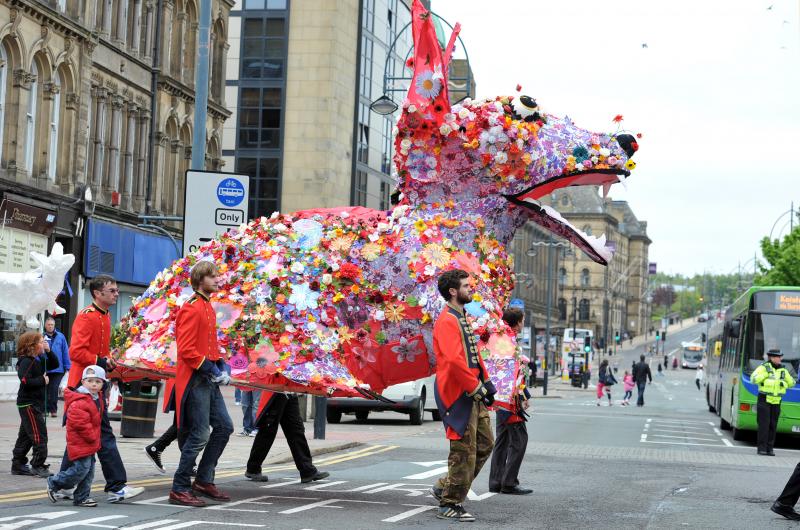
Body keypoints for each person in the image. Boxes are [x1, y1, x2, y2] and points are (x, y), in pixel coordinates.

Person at [58, 274, 143, 503]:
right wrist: (101, 361)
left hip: (94, 385)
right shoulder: (87, 316)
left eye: (117, 290)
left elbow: (98, 354)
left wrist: (108, 362)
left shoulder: (104, 315)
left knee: (82, 435)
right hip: (83, 386)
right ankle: (116, 486)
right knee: (103, 435)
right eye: (112, 290)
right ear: (97, 293)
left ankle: (63, 484)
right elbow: (76, 352)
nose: (116, 294)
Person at [428, 269, 495, 522]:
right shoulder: (447, 320)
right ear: (453, 291)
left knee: (486, 444)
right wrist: (475, 388)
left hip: (472, 391)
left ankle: (444, 486)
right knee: (464, 450)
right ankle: (450, 502)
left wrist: (487, 383)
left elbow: (473, 355)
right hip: (458, 394)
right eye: (466, 286)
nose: (470, 289)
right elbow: (454, 361)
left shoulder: (461, 315)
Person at [169, 261, 234, 507]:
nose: (217, 280)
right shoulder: (191, 307)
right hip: (195, 378)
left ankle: (204, 480)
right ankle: (179, 487)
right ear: (199, 280)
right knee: (200, 435)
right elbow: (187, 350)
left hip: (207, 377)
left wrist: (220, 367)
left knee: (224, 427)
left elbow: (209, 345)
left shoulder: (206, 306)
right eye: (212, 276)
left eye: (217, 276)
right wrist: (211, 369)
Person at [47, 365, 107, 507]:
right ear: (83, 382)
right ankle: (54, 482)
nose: (94, 384)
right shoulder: (80, 400)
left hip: (91, 442)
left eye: (98, 381)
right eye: (90, 381)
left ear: (103, 384)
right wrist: (92, 437)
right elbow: (79, 423)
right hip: (81, 441)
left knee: (89, 472)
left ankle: (81, 497)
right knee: (80, 470)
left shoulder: (96, 397)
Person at [488, 307, 532, 496]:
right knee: (520, 439)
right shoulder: (508, 341)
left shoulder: (501, 337)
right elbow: (512, 374)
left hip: (500, 398)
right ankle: (509, 482)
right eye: (523, 320)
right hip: (509, 399)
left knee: (503, 439)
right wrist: (521, 396)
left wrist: (525, 394)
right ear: (518, 322)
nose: (524, 323)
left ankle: (496, 481)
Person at [245, 391, 330, 484]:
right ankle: (253, 468)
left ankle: (307, 470)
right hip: (276, 390)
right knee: (268, 430)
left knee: (296, 429)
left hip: (290, 391)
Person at [12, 331, 58, 478]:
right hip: (29, 403)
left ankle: (17, 464)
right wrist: (42, 380)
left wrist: (49, 351)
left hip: (33, 402)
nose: (43, 344)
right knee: (39, 435)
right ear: (31, 346)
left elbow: (55, 364)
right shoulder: (26, 361)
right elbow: (25, 380)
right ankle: (38, 465)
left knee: (26, 436)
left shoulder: (38, 359)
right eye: (40, 342)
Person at [752, 349, 795, 456]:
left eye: (780, 357)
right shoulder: (763, 368)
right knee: (764, 425)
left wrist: (783, 384)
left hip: (777, 401)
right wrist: (765, 375)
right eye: (778, 357)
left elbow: (792, 383)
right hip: (764, 399)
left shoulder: (783, 370)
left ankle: (770, 449)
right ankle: (762, 448)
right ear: (771, 357)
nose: (780, 358)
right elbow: (753, 379)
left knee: (773, 425)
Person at [43, 316, 71, 418]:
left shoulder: (61, 336)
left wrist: (67, 366)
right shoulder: (41, 337)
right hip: (45, 367)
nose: (50, 326)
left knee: (54, 389)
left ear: (54, 325)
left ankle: (53, 410)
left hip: (58, 368)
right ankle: (45, 409)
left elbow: (65, 351)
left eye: (52, 325)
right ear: (45, 326)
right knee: (45, 389)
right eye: (48, 325)